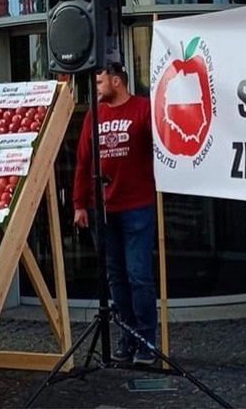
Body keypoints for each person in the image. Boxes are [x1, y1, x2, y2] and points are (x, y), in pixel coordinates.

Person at [73, 63, 158, 365]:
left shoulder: (143, 109)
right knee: (116, 279)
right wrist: (79, 203)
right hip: (102, 210)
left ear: (117, 81)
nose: (96, 88)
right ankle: (128, 338)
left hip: (137, 206)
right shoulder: (93, 116)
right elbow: (83, 161)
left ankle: (148, 342)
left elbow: (162, 147)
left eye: (100, 82)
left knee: (139, 276)